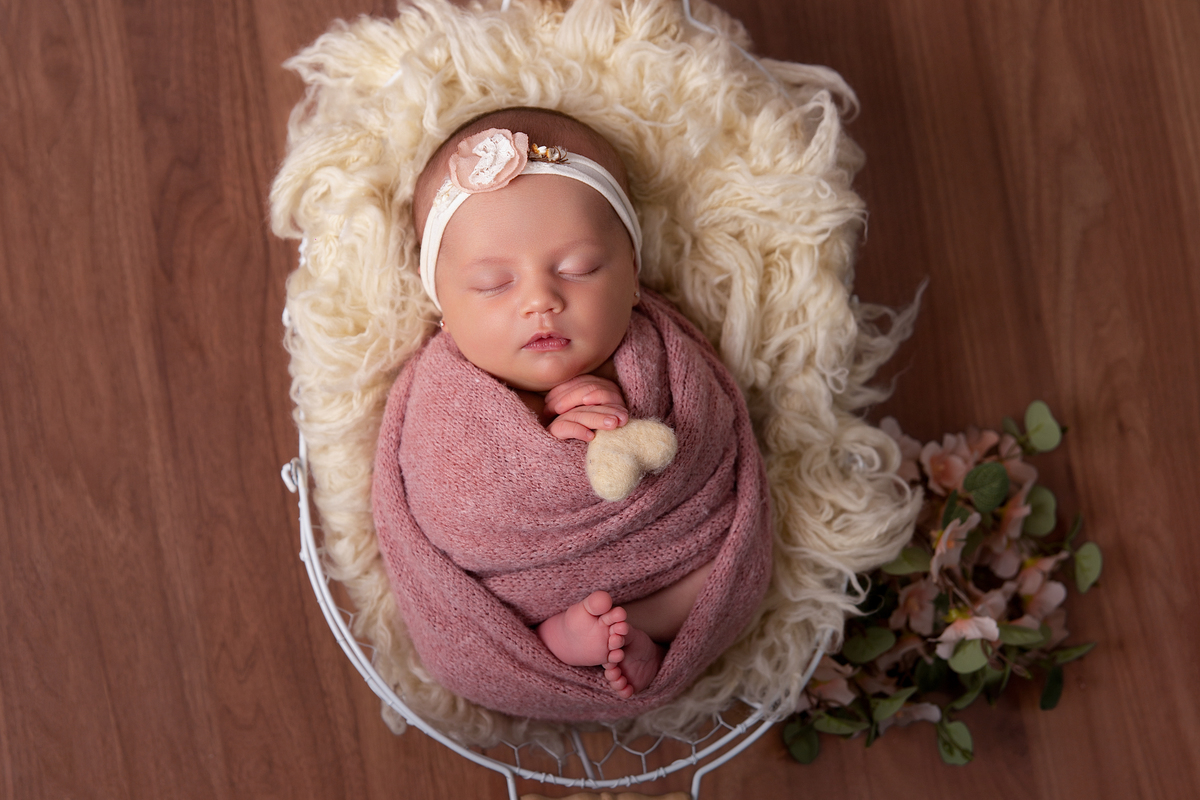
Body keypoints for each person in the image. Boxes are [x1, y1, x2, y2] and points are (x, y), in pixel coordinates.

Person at [400, 107, 743, 699]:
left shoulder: (660, 357)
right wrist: (548, 448)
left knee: (724, 568)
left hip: (672, 566)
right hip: (518, 590)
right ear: (444, 309)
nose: (540, 300)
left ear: (632, 275)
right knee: (476, 622)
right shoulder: (448, 399)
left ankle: (644, 623)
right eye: (492, 284)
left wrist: (620, 410)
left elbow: (704, 455)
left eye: (578, 269)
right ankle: (551, 639)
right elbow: (450, 499)